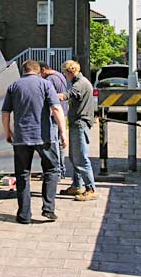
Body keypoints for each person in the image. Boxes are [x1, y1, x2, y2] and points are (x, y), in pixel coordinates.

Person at [1, 59, 67, 224]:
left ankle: (24, 215)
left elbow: (5, 112)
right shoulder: (45, 85)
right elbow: (56, 108)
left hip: (21, 137)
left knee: (23, 174)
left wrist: (7, 132)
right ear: (38, 71)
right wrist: (63, 132)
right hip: (45, 137)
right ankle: (48, 208)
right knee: (51, 170)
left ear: (24, 71)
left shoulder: (14, 86)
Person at [57, 59, 97, 201]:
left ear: (70, 72)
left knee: (81, 158)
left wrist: (49, 95)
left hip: (80, 124)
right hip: (77, 124)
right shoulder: (80, 82)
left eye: (64, 73)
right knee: (75, 158)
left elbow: (66, 95)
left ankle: (91, 188)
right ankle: (76, 186)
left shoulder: (80, 84)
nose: (64, 75)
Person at [39, 62, 68, 178]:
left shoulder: (50, 79)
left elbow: (47, 97)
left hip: (54, 114)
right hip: (63, 112)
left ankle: (56, 170)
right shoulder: (60, 76)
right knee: (60, 143)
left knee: (54, 142)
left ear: (43, 70)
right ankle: (62, 170)